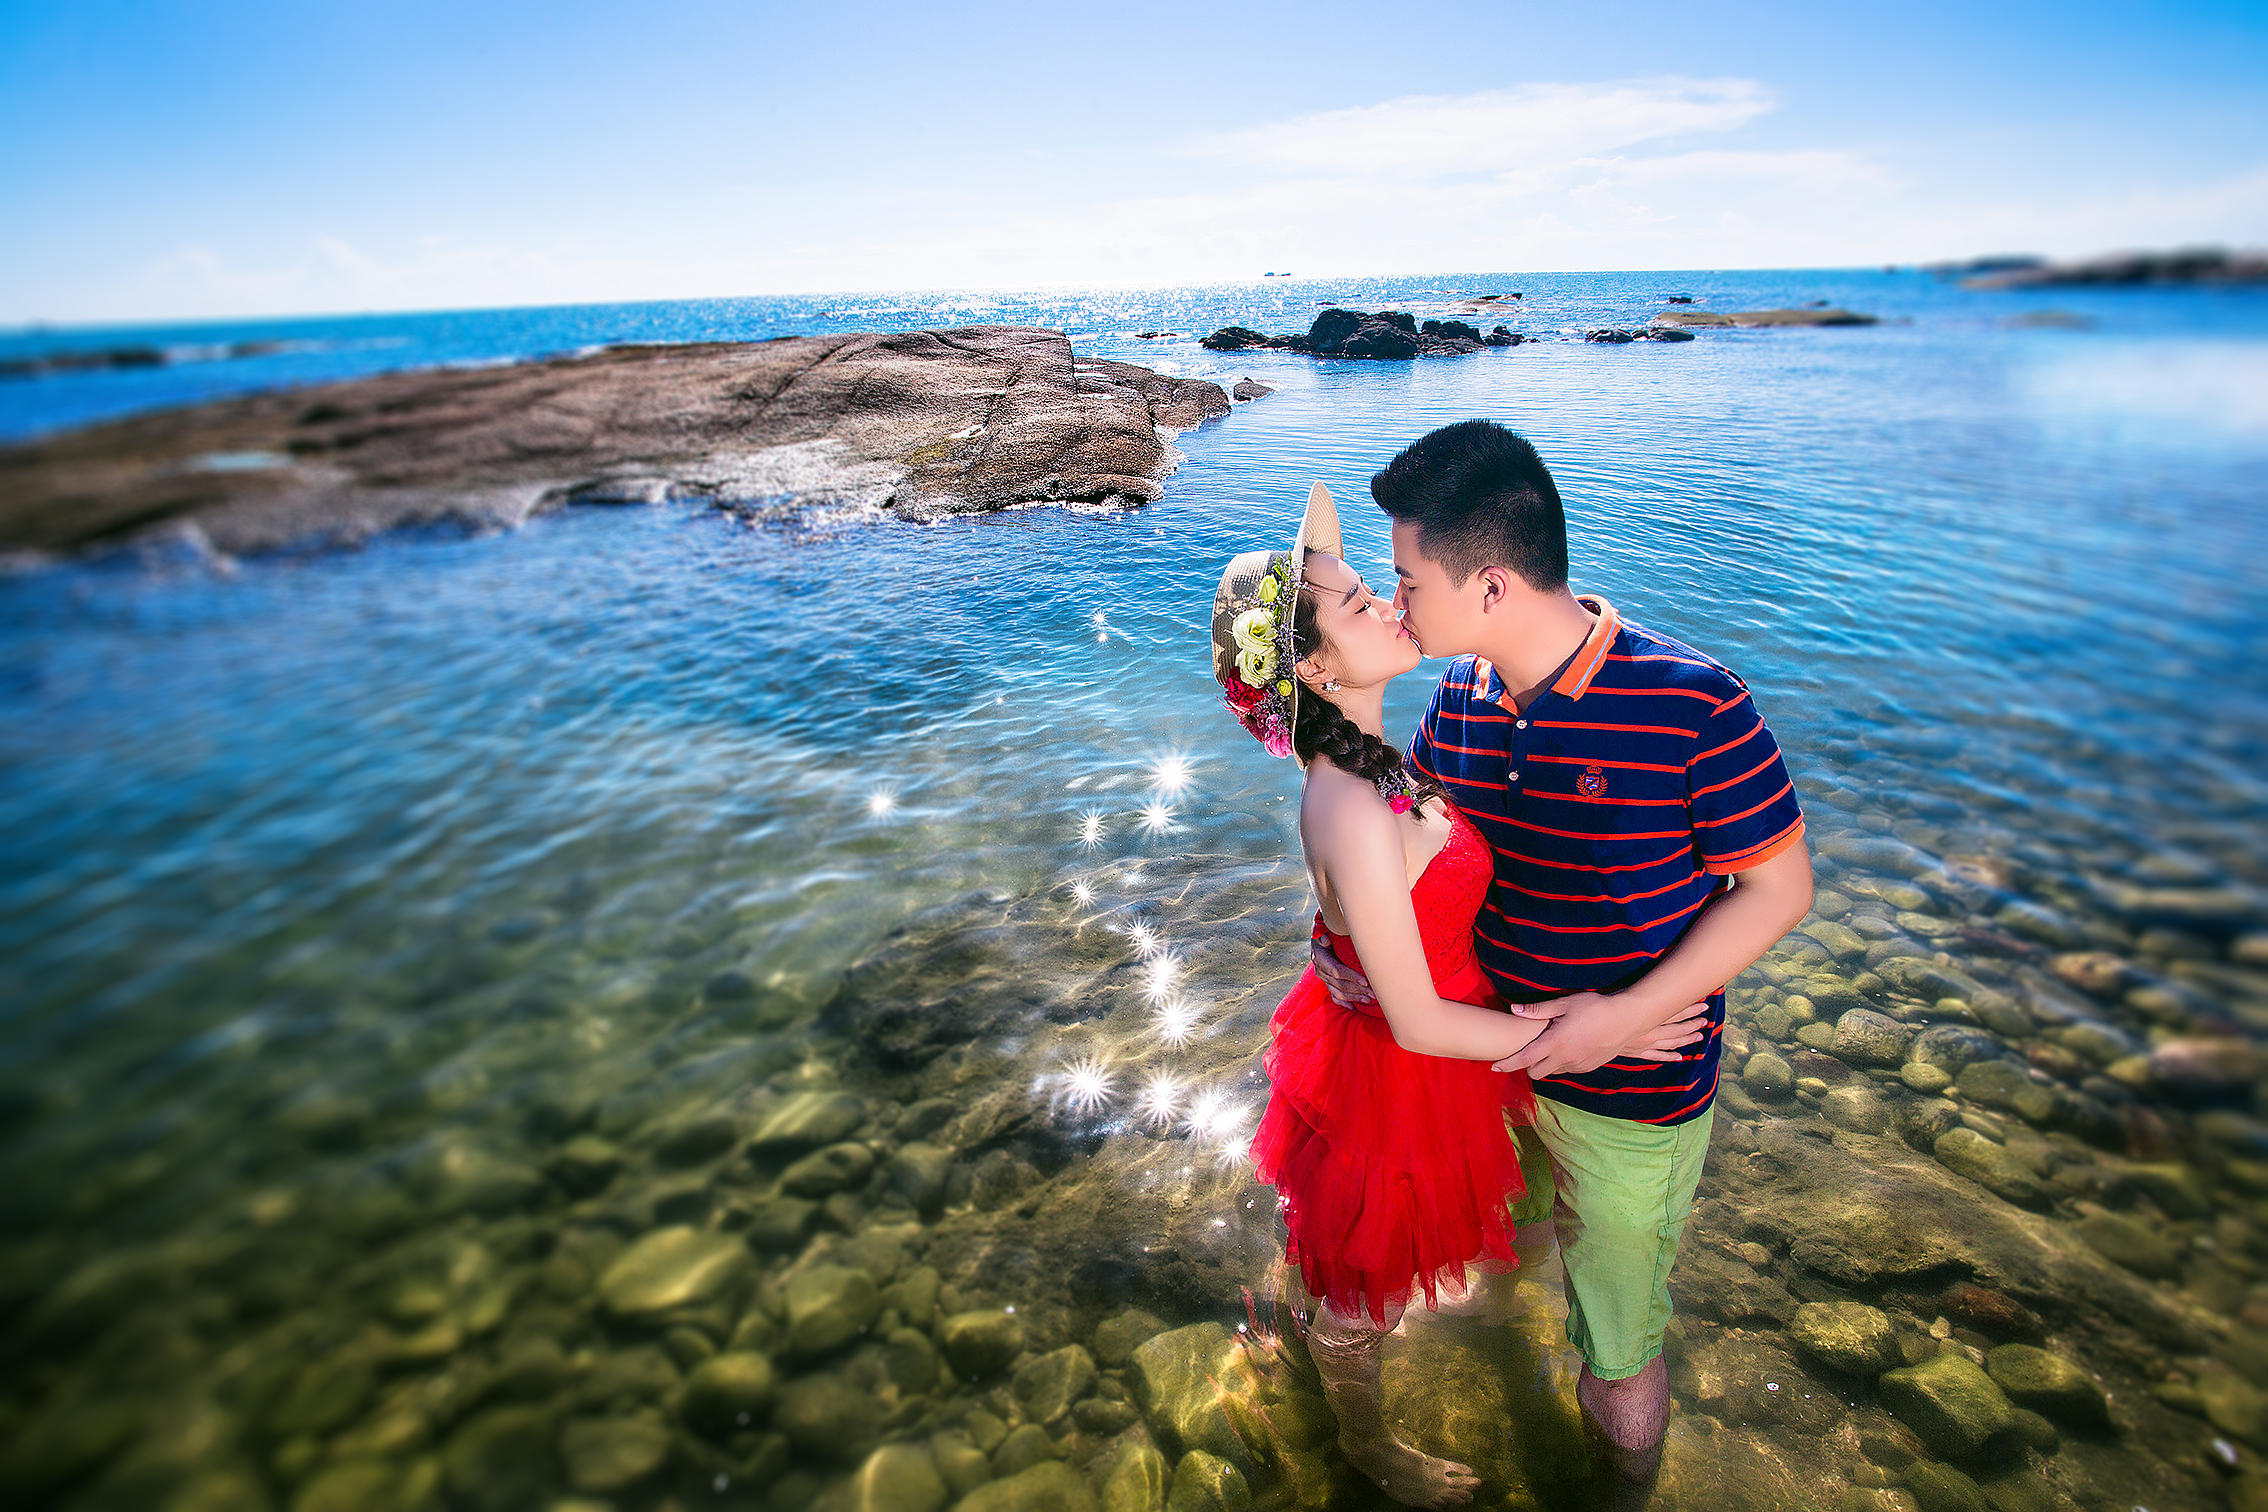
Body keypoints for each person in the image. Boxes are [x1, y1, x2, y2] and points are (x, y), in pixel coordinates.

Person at [1310, 421, 1814, 1506]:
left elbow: (1779, 891)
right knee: (1518, 1241)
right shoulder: (1463, 697)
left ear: (1491, 584)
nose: (1395, 604)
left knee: (1619, 1348)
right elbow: (1415, 860)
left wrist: (1624, 1019)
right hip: (1492, 1070)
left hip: (1637, 1089)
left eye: (1406, 579)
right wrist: (1342, 951)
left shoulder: (1693, 701)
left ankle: (1618, 1493)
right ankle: (1495, 1339)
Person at [1210, 482, 1712, 1509]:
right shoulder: (1349, 799)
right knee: (1363, 1297)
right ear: (1311, 666)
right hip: (1409, 1063)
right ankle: (1363, 1445)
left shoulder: (1386, 759)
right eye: (1360, 605)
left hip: (1444, 1047)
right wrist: (1604, 1030)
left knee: (1425, 1254)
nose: (1390, 607)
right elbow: (1419, 1017)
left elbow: (1416, 904)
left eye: (1379, 588)